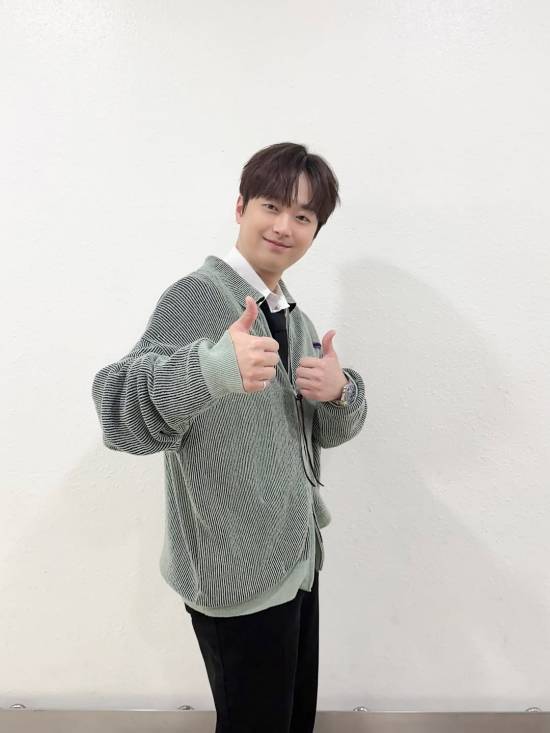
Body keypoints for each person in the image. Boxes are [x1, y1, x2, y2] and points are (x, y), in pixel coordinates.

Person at [91, 141, 368, 733]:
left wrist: (338, 392)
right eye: (272, 206)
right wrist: (209, 369)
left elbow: (323, 434)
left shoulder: (293, 317)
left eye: (303, 216)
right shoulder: (199, 297)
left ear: (315, 232)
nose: (284, 226)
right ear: (240, 207)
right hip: (234, 572)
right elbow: (116, 410)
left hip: (296, 559)